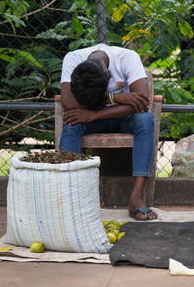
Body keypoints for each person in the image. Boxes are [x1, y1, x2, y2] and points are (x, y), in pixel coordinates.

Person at [59, 44, 158, 221]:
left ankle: (136, 197)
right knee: (71, 121)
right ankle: (67, 196)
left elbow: (143, 103)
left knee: (144, 118)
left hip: (123, 119)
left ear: (107, 74)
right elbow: (67, 102)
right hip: (92, 119)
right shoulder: (73, 59)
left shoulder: (127, 58)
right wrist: (115, 97)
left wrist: (93, 113)